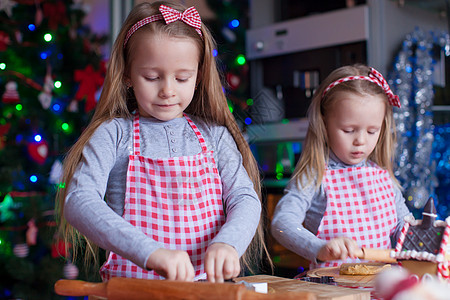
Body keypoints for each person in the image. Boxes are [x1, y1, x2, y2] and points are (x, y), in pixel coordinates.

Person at [56, 1, 270, 282]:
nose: (168, 90)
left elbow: (244, 198)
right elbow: (79, 200)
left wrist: (228, 243)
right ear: (128, 75)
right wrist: (151, 253)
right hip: (135, 290)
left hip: (205, 289)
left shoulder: (214, 135)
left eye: (182, 78)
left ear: (199, 77)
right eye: (152, 77)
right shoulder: (113, 134)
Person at [271, 64, 411, 270]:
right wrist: (319, 248)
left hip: (382, 289)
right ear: (324, 123)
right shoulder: (315, 176)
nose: (360, 141)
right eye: (348, 130)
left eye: (372, 131)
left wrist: (429, 236)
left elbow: (404, 227)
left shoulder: (384, 178)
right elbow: (282, 223)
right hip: (333, 291)